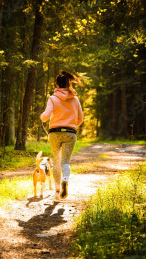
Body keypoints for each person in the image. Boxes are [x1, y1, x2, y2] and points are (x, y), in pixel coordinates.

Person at [40, 71, 84, 201]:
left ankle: (58, 191)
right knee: (65, 161)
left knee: (57, 160)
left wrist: (42, 117)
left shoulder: (52, 98)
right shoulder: (75, 99)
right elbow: (80, 118)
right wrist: (71, 126)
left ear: (56, 85)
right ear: (68, 84)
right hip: (70, 133)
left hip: (55, 133)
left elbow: (46, 116)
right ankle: (65, 179)